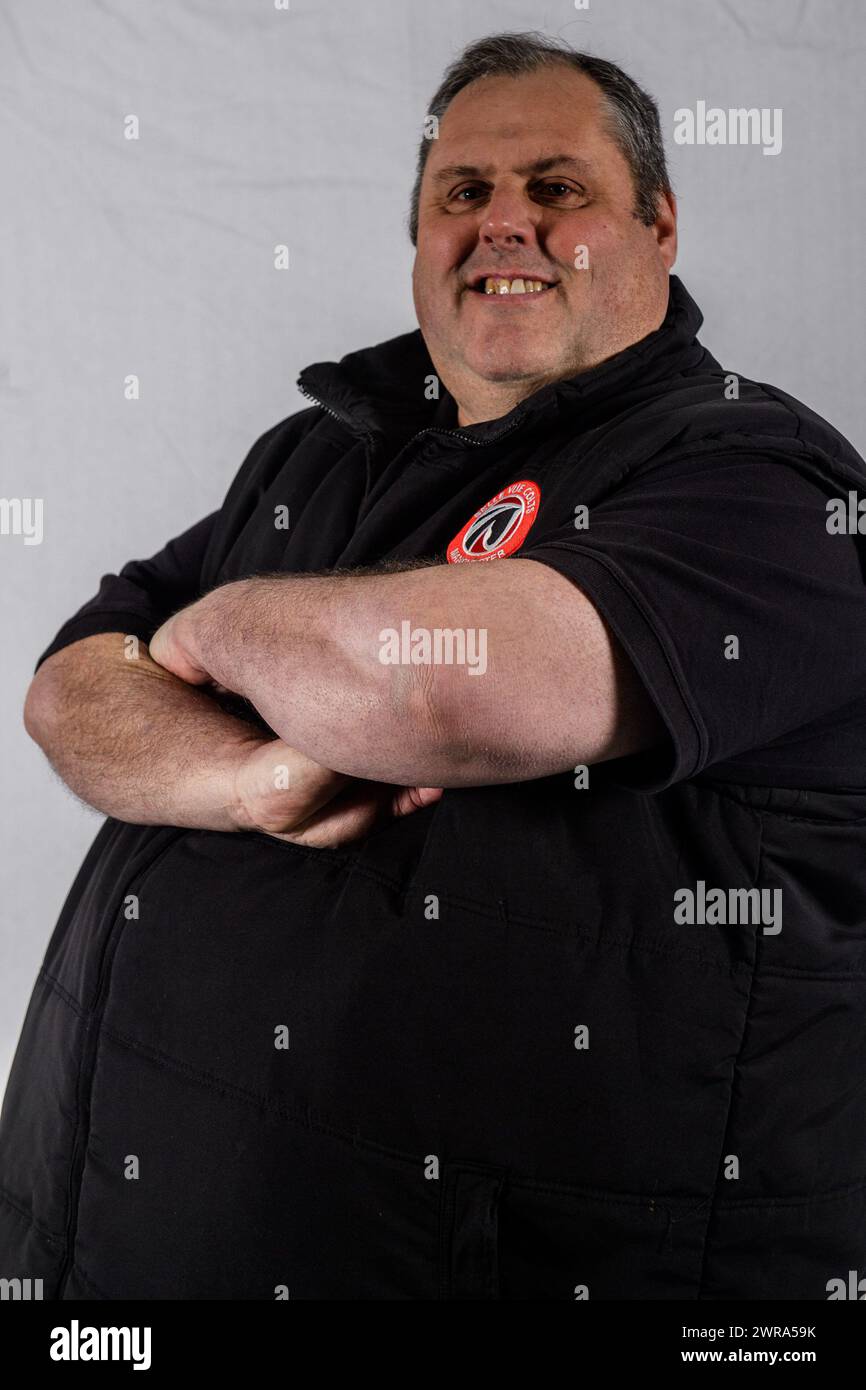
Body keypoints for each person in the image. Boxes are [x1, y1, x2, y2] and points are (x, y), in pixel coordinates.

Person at [3, 30, 866, 1301]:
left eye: (556, 189)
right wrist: (251, 780)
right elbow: (67, 693)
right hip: (105, 1247)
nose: (501, 224)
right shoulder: (320, 454)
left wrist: (206, 633)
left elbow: (431, 691)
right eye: (461, 193)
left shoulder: (758, 482)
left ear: (659, 226)